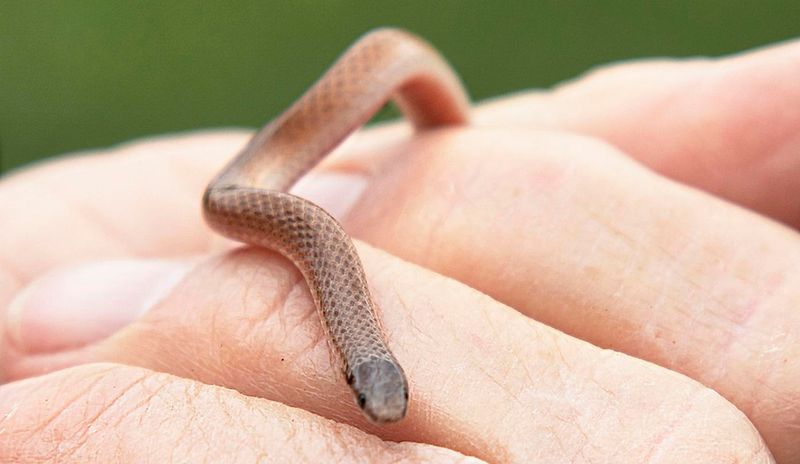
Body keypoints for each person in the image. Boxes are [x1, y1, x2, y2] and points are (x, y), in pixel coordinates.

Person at [1, 37, 798, 463]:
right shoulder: (290, 223)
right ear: (362, 371)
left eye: (380, 395)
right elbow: (231, 199)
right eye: (375, 395)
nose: (382, 406)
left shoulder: (304, 238)